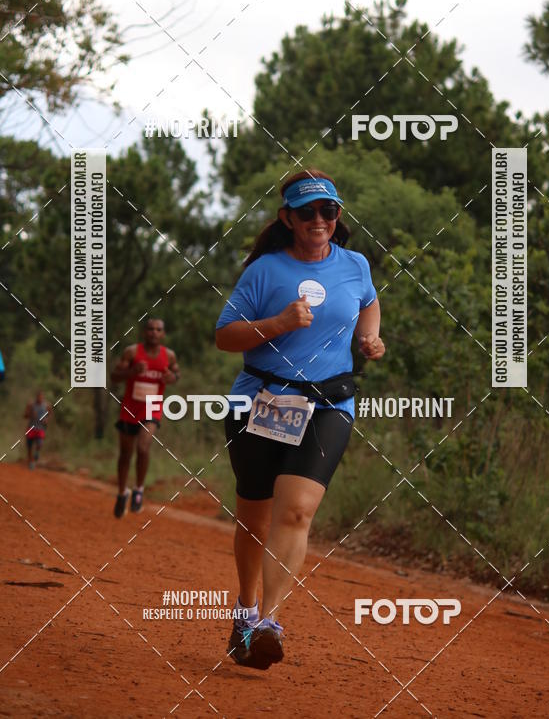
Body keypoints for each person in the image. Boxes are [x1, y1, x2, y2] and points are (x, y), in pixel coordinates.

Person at [215, 169, 385, 670]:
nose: (318, 220)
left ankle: (267, 622)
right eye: (306, 212)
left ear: (337, 215)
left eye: (327, 210)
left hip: (329, 404)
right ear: (287, 218)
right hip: (261, 402)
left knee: (296, 512)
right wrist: (277, 324)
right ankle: (245, 610)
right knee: (254, 518)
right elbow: (224, 336)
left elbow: (369, 302)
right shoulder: (264, 271)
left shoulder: (355, 264)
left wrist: (369, 337)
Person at [111, 318, 180, 517]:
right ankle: (122, 492)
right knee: (125, 454)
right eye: (150, 329)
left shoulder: (169, 356)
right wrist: (132, 371)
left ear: (163, 334)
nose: (154, 333)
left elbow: (176, 375)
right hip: (130, 408)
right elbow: (114, 376)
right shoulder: (132, 352)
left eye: (158, 330)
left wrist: (172, 378)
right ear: (144, 332)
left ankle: (139, 490)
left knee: (143, 447)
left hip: (152, 407)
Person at [24, 391, 52, 469]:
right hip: (31, 428)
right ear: (36, 397)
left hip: (40, 428)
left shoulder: (47, 405)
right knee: (29, 446)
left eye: (41, 397)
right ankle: (31, 462)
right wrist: (30, 414)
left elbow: (50, 414)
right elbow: (25, 415)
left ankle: (36, 454)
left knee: (39, 444)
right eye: (38, 397)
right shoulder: (31, 405)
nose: (40, 399)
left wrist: (47, 420)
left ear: (43, 398)